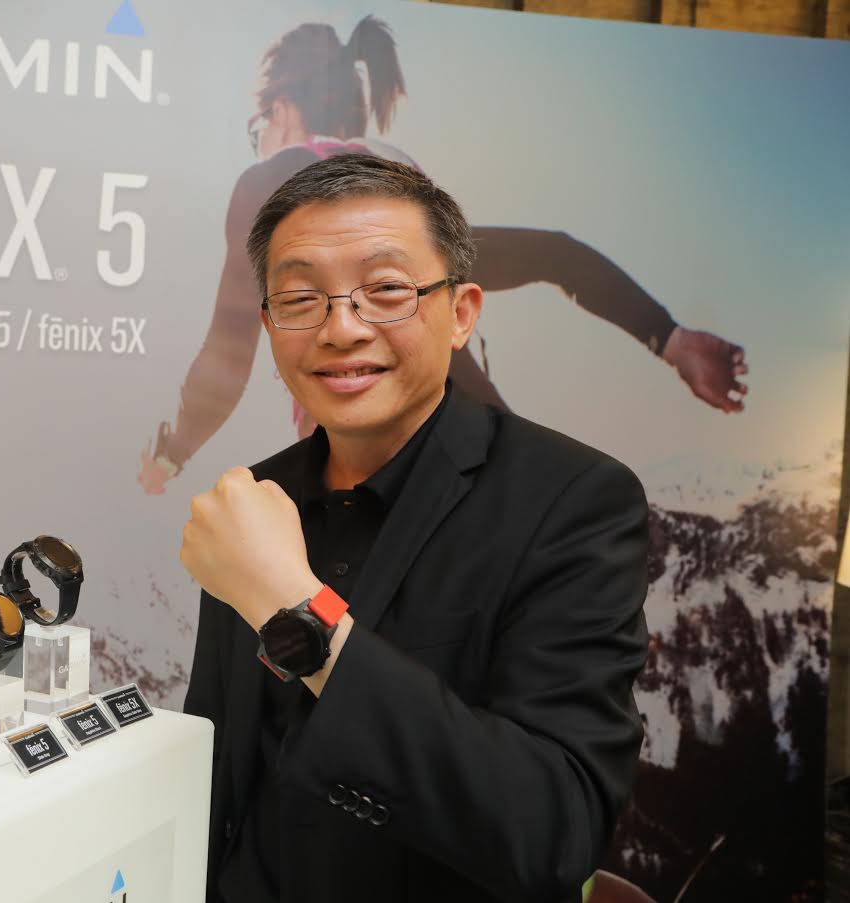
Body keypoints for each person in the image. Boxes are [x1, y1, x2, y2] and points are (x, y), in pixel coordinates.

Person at [180, 153, 651, 901]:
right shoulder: (253, 501)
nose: (341, 328)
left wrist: (298, 611)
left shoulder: (573, 501)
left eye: (386, 291)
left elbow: (551, 829)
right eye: (300, 299)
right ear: (270, 325)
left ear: (462, 313)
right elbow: (222, 777)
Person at [140, 16, 747, 494]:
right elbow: (555, 254)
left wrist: (171, 455)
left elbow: (228, 355)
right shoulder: (409, 193)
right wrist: (670, 338)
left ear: (280, 110)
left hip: (371, 479)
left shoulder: (272, 184)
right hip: (489, 463)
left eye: (257, 130)